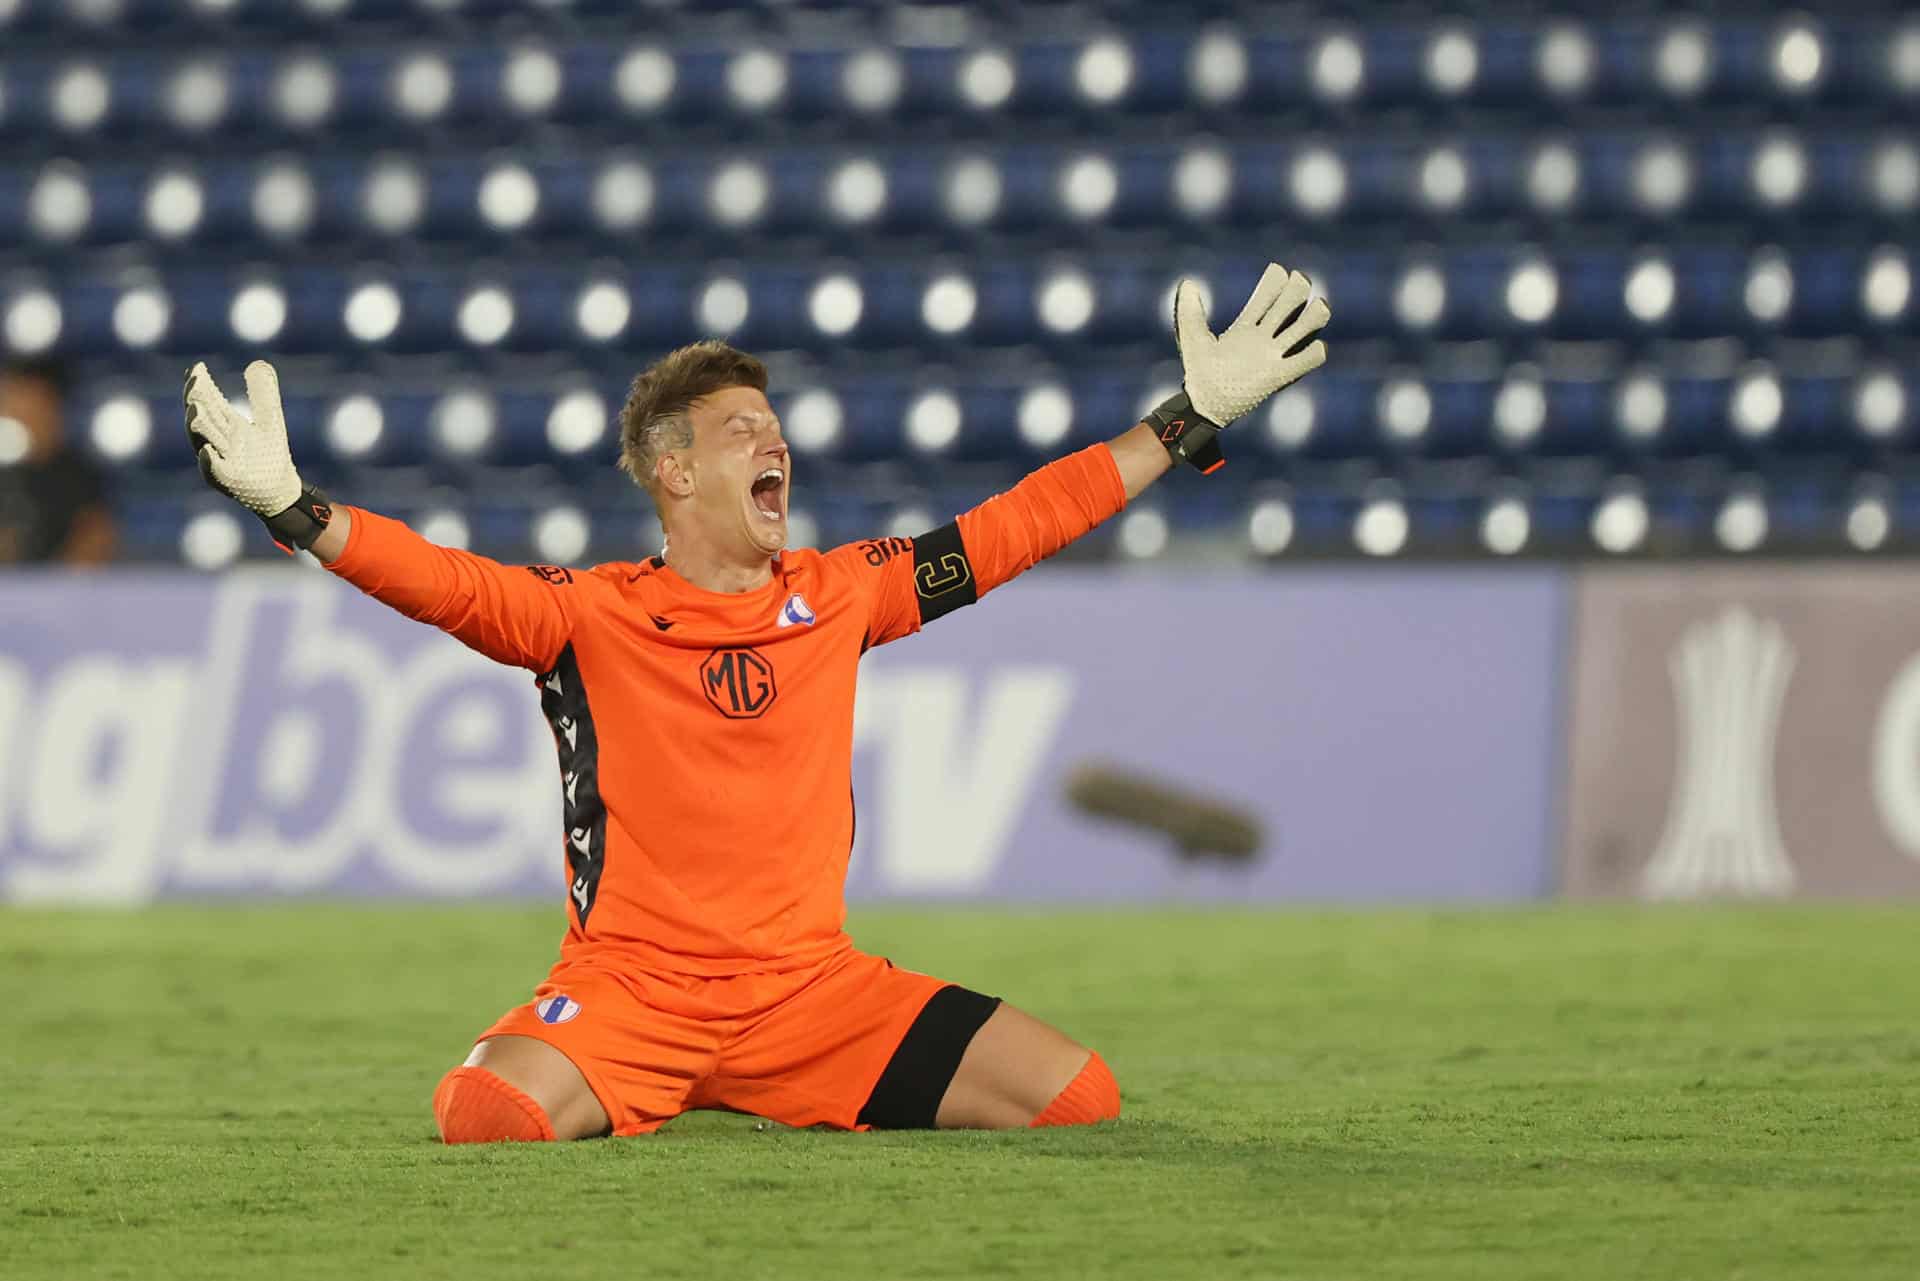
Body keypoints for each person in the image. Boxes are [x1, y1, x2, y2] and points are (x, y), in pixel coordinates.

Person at [182, 264, 1330, 1141]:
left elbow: (1014, 526)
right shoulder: (588, 613)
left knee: (1078, 1097)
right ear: (675, 472)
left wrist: (1183, 423)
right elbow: (443, 582)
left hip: (814, 998)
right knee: (487, 1114)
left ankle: (735, 1083)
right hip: (633, 996)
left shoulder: (843, 592)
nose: (772, 443)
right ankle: (671, 1075)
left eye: (773, 430)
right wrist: (294, 507)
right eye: (742, 433)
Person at [0, 358, 115, 566]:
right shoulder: (6, 475)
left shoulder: (80, 475)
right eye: (13, 402)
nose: (22, 414)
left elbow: (95, 544)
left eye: (33, 404)